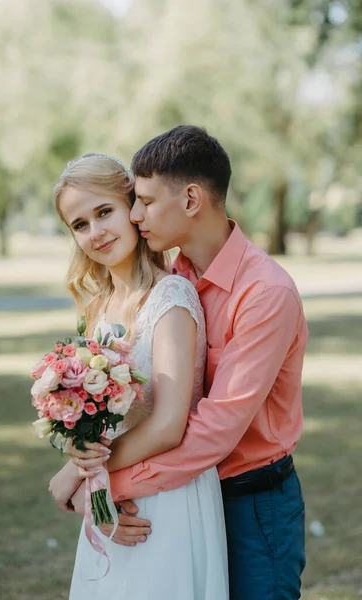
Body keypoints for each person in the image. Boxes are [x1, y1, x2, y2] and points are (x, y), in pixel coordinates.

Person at [59, 126, 309, 600]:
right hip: (183, 490)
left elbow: (212, 429)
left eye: (145, 202)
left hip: (254, 500)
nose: (135, 215)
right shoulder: (175, 277)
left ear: (191, 199)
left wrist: (102, 483)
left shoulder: (264, 293)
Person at [49, 153, 229, 600]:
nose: (96, 232)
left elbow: (169, 426)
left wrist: (77, 473)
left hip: (168, 497)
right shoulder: (99, 308)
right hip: (111, 496)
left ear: (132, 207)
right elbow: (99, 419)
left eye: (104, 212)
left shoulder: (170, 297)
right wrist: (84, 461)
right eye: (80, 224)